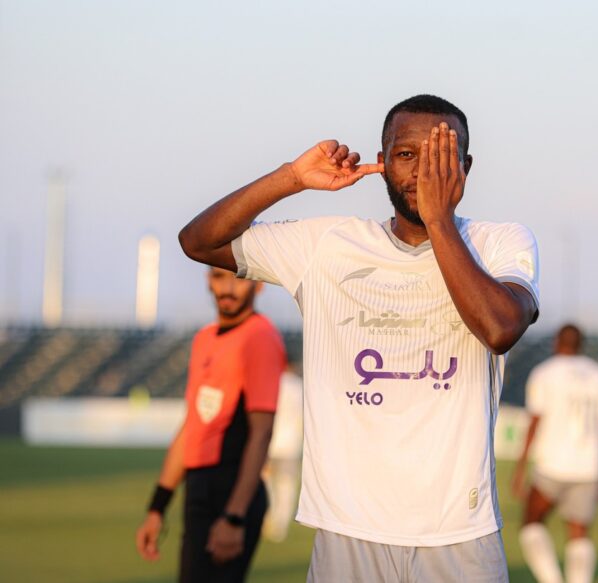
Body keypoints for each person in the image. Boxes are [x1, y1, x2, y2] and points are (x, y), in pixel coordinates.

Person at [177, 94, 540, 582]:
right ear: (383, 161)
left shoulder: (499, 243)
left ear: (465, 166)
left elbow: (500, 328)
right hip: (348, 533)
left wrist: (437, 220)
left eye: (439, 157)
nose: (420, 172)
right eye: (407, 155)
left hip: (459, 534)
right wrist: (291, 178)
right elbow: (198, 241)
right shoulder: (327, 246)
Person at [135, 267, 285, 582]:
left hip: (232, 492)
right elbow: (192, 425)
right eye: (218, 276)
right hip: (199, 488)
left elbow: (261, 433)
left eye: (238, 277)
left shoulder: (260, 337)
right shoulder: (204, 339)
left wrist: (234, 516)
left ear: (258, 284)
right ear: (207, 280)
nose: (228, 287)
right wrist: (157, 508)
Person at [512, 324, 598, 583]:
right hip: (589, 466)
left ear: (557, 341)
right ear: (582, 344)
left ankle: (551, 579)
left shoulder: (545, 373)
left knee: (531, 523)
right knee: (579, 533)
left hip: (553, 464)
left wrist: (521, 467)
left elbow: (535, 421)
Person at [262, 361, 303, 542]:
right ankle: (281, 524)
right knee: (286, 485)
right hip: (291, 445)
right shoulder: (300, 387)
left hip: (270, 443)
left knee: (266, 481)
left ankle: (269, 516)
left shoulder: (271, 383)